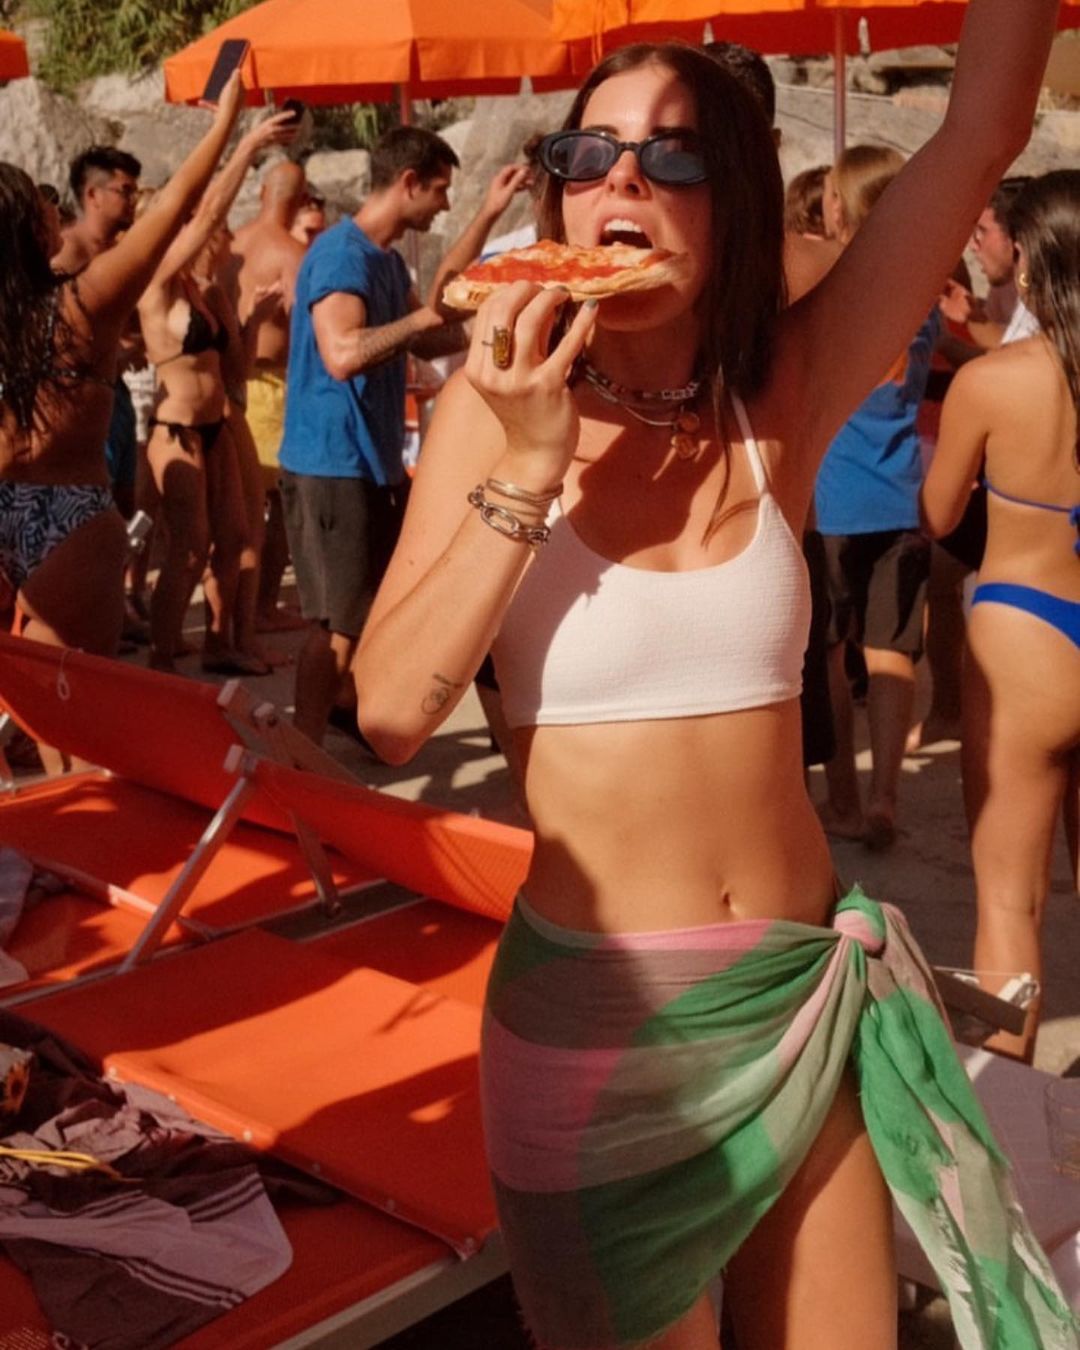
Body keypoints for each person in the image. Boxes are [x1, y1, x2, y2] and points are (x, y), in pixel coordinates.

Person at [352, 9, 1076, 1350]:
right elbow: (392, 711)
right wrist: (528, 463)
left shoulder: (779, 391)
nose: (623, 178)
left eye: (673, 158)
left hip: (804, 993)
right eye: (592, 154)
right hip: (602, 1031)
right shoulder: (487, 412)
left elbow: (983, 130)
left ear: (731, 205)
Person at [279, 126, 529, 744]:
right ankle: (298, 753)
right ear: (409, 182)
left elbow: (434, 327)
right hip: (331, 462)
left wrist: (500, 321)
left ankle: (341, 718)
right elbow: (343, 353)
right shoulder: (341, 255)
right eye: (440, 191)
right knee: (337, 627)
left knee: (369, 614)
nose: (443, 205)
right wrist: (425, 318)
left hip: (369, 461)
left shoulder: (385, 260)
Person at [921, 170, 1080, 1066]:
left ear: (1026, 260)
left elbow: (939, 515)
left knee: (1007, 899)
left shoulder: (992, 381)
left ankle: (1008, 1104)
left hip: (1025, 630)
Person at [0, 77, 245, 657]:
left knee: (19, 696)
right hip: (71, 512)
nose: (55, 213)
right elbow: (174, 209)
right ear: (33, 228)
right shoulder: (84, 301)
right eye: (44, 205)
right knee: (73, 700)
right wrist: (224, 125)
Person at [137, 109, 296, 672]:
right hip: (176, 430)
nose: (212, 233)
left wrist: (251, 319)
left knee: (234, 540)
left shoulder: (201, 290)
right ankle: (161, 660)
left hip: (218, 425)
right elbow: (206, 213)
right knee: (188, 549)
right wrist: (247, 142)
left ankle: (219, 645)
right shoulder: (155, 284)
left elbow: (234, 368)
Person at [813, 144, 938, 852]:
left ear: (845, 203)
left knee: (834, 653)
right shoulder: (922, 287)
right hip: (899, 497)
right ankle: (886, 796)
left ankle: (844, 799)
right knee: (892, 653)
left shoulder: (830, 284)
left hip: (831, 498)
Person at [229, 159, 309, 632]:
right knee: (276, 507)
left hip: (231, 378)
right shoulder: (292, 253)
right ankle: (260, 608)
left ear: (262, 192)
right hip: (273, 386)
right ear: (300, 201)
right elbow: (307, 327)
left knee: (237, 505)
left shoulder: (233, 243)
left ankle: (237, 613)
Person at [52, 145, 142, 276]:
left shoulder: (120, 246)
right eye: (126, 191)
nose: (134, 200)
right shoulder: (66, 253)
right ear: (93, 195)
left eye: (135, 193)